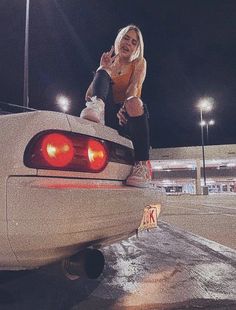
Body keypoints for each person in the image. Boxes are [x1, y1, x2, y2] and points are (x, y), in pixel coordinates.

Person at [80, 25, 151, 188]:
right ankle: (98, 107)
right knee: (102, 70)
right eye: (126, 38)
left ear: (136, 48)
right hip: (108, 112)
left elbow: (134, 86)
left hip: (128, 114)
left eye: (134, 42)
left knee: (134, 101)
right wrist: (103, 67)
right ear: (119, 39)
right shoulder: (111, 61)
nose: (128, 44)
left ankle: (141, 165)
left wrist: (125, 105)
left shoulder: (139, 62)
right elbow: (87, 95)